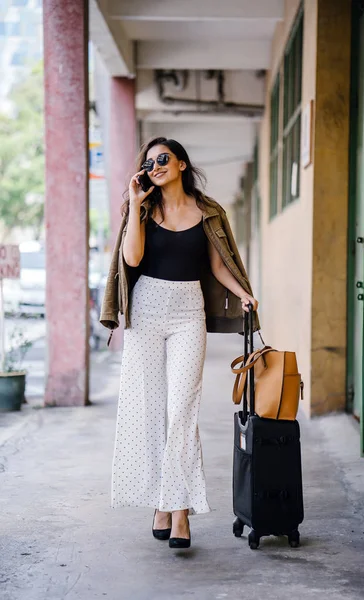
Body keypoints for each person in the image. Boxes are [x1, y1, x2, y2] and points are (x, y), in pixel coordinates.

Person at [101, 137, 260, 550]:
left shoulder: (208, 212)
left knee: (182, 412)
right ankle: (162, 503)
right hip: (147, 311)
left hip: (189, 311)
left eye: (163, 159)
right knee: (152, 412)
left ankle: (182, 511)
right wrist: (136, 205)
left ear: (182, 164)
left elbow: (216, 264)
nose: (155, 165)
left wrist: (241, 291)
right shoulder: (143, 210)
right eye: (149, 161)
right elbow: (132, 260)